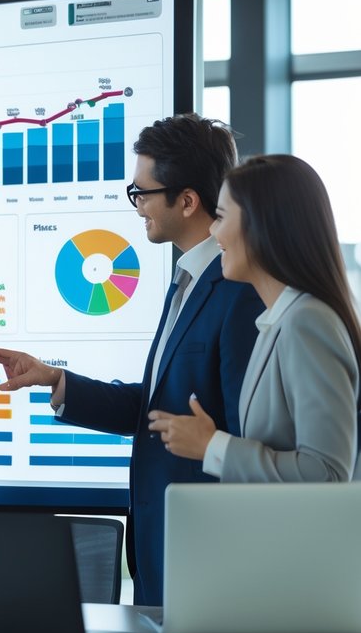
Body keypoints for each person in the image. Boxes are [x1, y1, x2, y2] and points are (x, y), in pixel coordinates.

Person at [0, 114, 264, 607]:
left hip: (207, 554)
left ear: (187, 201)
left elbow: (247, 434)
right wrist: (55, 379)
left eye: (142, 193)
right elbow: (156, 409)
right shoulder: (187, 283)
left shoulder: (238, 290)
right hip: (161, 546)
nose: (137, 206)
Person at [148, 154, 361, 481]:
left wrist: (212, 447)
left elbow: (327, 473)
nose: (213, 230)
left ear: (261, 225)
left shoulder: (307, 321)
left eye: (221, 216)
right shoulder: (276, 322)